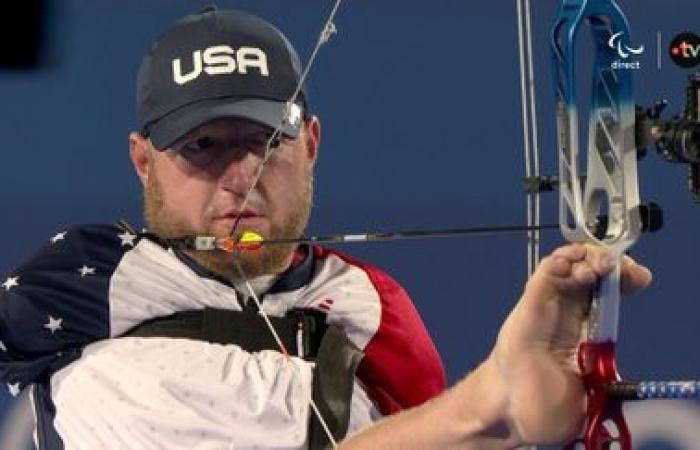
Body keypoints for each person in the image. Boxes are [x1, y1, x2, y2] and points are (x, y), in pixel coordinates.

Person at [0, 6, 652, 450]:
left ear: (310, 144)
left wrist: (524, 403)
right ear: (144, 162)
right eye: (203, 147)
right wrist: (490, 404)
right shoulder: (83, 290)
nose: (242, 178)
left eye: (266, 144)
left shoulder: (371, 308)